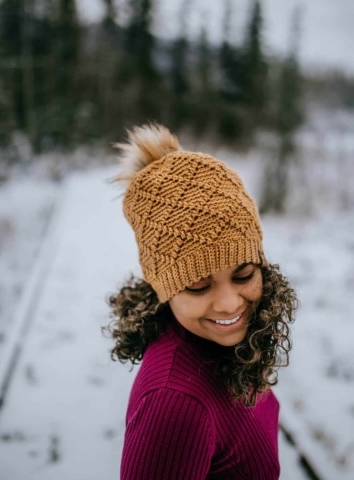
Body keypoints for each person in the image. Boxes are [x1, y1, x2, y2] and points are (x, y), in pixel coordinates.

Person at [105, 123, 298, 479]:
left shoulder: (235, 347)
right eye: (197, 286)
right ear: (164, 290)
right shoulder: (174, 403)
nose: (228, 304)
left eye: (243, 275)